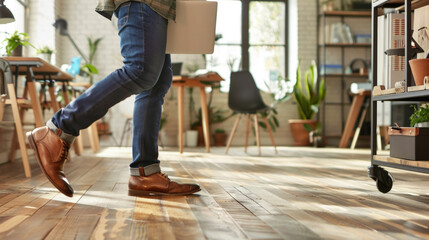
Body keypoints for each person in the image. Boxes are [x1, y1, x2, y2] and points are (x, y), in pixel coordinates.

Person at [26, 0, 200, 197]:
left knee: (157, 83)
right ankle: (59, 129)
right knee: (140, 70)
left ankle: (145, 172)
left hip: (158, 7)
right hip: (143, 3)